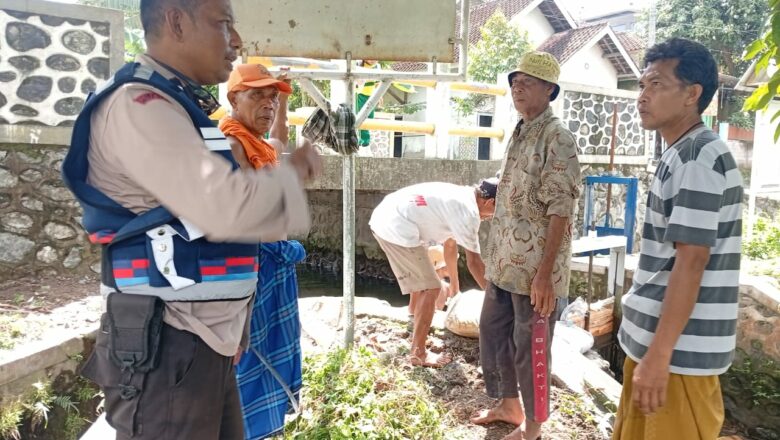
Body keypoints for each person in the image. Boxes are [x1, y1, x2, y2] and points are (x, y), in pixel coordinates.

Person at [61, 0, 321, 439]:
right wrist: (291, 173)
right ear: (176, 22)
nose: (235, 42)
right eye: (223, 25)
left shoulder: (181, 106)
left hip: (204, 339)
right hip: (169, 342)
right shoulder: (139, 104)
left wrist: (233, 324)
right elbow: (222, 207)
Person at [613, 38, 743, 440]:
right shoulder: (680, 152)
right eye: (641, 85)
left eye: (656, 84)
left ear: (692, 94)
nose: (643, 96)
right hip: (661, 348)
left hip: (677, 357)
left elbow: (692, 260)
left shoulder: (696, 158)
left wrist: (660, 356)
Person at [471, 51, 581, 440]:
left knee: (530, 348)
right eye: (515, 80)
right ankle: (507, 404)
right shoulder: (520, 129)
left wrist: (547, 276)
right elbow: (521, 187)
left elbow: (560, 209)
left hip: (535, 271)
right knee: (492, 332)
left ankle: (533, 428)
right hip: (503, 263)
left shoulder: (558, 137)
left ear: (550, 90)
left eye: (528, 82)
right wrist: (492, 193)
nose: (518, 86)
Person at [218, 64, 306, 439]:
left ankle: (265, 427)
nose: (268, 104)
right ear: (233, 98)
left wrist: (283, 103)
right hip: (252, 268)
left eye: (272, 96)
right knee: (248, 355)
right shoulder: (231, 144)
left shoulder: (260, 145)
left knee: (274, 350)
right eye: (258, 95)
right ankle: (243, 430)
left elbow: (280, 140)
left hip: (275, 263)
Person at [369, 179, 497, 367]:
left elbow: (451, 245)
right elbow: (475, 264)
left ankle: (415, 315)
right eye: (497, 211)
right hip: (396, 225)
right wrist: (498, 299)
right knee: (432, 287)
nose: (493, 217)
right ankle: (418, 353)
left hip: (388, 215)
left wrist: (455, 287)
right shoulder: (468, 213)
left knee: (424, 276)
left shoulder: (462, 196)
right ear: (489, 202)